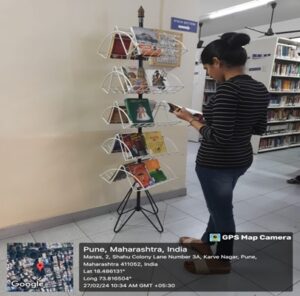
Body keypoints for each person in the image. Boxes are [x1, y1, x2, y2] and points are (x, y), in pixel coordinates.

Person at [174, 32, 270, 274]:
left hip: (216, 164)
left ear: (217, 62)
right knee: (218, 207)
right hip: (240, 160)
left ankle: (222, 260)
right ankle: (207, 242)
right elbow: (257, 128)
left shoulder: (227, 90)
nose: (208, 73)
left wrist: (189, 120)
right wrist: (209, 119)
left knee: (222, 212)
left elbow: (219, 137)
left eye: (207, 67)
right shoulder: (260, 89)